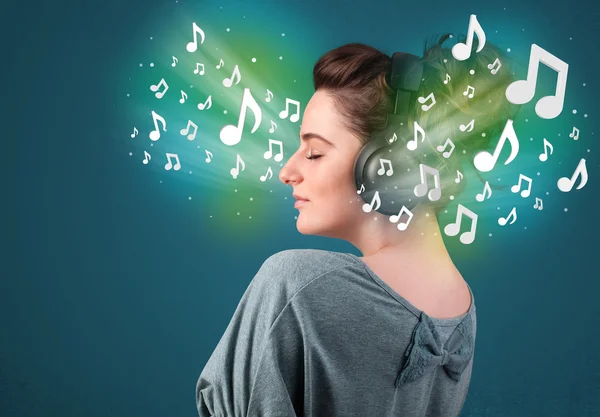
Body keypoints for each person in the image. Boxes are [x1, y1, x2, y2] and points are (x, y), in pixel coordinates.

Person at [196, 34, 520, 417]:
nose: (288, 172)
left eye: (314, 152)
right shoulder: (462, 306)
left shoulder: (295, 285)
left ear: (389, 162)